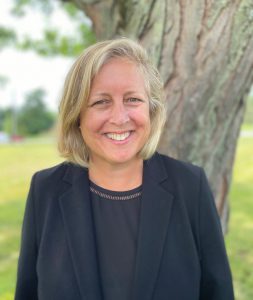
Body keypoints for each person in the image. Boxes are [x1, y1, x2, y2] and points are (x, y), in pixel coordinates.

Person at [15, 38, 234, 300]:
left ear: (151, 112)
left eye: (132, 99)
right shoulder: (45, 190)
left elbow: (217, 292)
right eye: (100, 102)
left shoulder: (190, 185)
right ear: (77, 116)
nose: (119, 118)